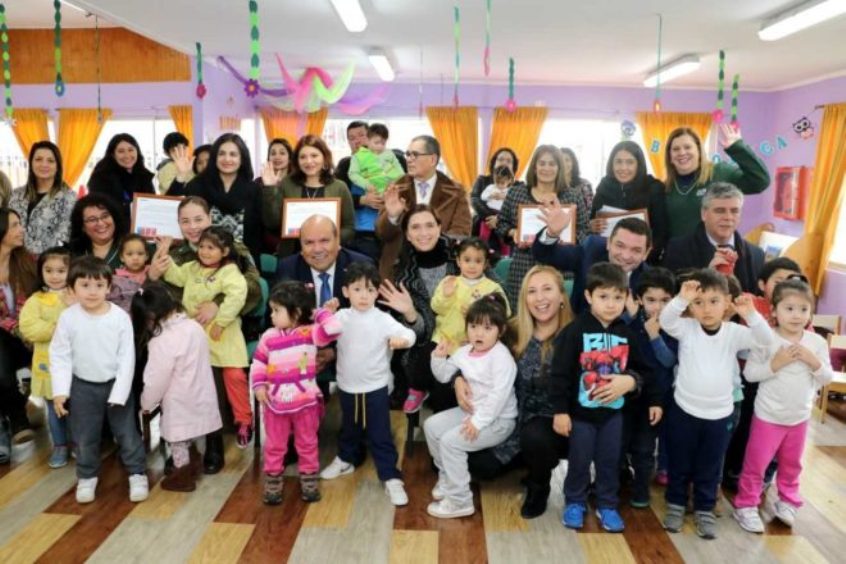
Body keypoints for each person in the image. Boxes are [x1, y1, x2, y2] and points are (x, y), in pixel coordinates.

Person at [658, 269, 773, 540]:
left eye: (714, 301)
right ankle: (675, 504)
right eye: (699, 303)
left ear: (727, 303)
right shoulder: (686, 328)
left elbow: (765, 340)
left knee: (710, 465)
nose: (706, 309)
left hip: (719, 416)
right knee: (680, 461)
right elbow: (665, 320)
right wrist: (681, 299)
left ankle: (705, 509)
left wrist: (751, 314)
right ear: (691, 308)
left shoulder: (734, 332)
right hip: (684, 410)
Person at [551, 263, 653, 533]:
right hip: (581, 415)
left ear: (627, 298)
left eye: (618, 298)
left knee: (611, 460)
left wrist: (631, 382)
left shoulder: (628, 333)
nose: (611, 304)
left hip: (614, 415)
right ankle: (574, 501)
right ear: (588, 297)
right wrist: (560, 411)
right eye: (603, 297)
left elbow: (644, 370)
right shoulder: (574, 332)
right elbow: (559, 374)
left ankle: (608, 504)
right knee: (580, 459)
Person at [732, 278, 833, 533]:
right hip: (768, 416)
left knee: (792, 464)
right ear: (774, 311)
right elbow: (751, 374)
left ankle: (788, 502)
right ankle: (746, 505)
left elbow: (827, 378)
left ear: (811, 312)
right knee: (756, 463)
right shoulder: (766, 339)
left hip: (799, 418)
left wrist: (814, 362)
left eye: (803, 309)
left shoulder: (817, 343)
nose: (796, 315)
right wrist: (775, 364)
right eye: (789, 308)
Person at [49, 256, 148, 504]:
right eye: (84, 285)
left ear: (108, 287)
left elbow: (127, 358)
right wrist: (60, 391)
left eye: (99, 285)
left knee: (126, 433)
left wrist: (119, 392)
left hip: (116, 384)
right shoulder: (68, 318)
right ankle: (86, 476)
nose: (92, 292)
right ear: (72, 289)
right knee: (84, 435)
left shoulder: (119, 318)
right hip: (82, 386)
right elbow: (60, 355)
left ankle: (137, 473)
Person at [320, 262, 415, 506]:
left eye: (371, 290)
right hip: (347, 386)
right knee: (349, 427)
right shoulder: (341, 318)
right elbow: (320, 334)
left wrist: (401, 340)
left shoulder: (382, 319)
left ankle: (391, 476)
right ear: (346, 292)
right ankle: (345, 459)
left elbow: (410, 334)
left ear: (377, 294)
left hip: (375, 387)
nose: (364, 295)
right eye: (358, 289)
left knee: (380, 433)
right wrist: (325, 314)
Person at [160, 226, 253, 448]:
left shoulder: (229, 271)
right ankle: (194, 427)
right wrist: (163, 251)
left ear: (225, 251)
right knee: (195, 378)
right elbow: (174, 275)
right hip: (195, 333)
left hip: (223, 332)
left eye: (211, 248)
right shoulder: (192, 268)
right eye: (202, 246)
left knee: (234, 376)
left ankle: (244, 420)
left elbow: (237, 296)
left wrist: (221, 322)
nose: (205, 251)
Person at [426, 293, 517, 518]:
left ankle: (460, 500)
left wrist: (477, 422)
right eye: (474, 326)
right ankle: (447, 478)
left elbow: (498, 397)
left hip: (498, 421)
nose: (479, 333)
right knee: (431, 426)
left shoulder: (502, 358)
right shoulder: (464, 352)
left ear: (500, 331)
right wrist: (437, 358)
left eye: (487, 328)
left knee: (450, 443)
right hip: (473, 411)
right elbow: (444, 375)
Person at [251, 281, 341, 504]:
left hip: (306, 403)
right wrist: (259, 386)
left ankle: (309, 479)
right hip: (275, 404)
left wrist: (318, 312)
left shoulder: (309, 334)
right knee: (275, 444)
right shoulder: (269, 337)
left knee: (307, 442)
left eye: (276, 310)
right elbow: (259, 363)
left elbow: (334, 328)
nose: (271, 315)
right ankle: (273, 480)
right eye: (271, 310)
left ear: (297, 312)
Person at [135, 282, 222, 492]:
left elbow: (157, 378)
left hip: (178, 398)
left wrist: (146, 402)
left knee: (177, 440)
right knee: (190, 433)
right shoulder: (194, 327)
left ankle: (182, 476)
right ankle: (193, 462)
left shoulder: (161, 340)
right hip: (201, 391)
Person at [377, 206, 462, 413]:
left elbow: (493, 292)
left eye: (429, 225)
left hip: (466, 341)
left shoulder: (463, 259)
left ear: (440, 227)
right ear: (407, 234)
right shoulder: (401, 274)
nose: (423, 233)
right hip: (421, 350)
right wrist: (410, 314)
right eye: (415, 227)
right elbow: (410, 337)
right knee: (434, 370)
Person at [496, 145, 589, 306]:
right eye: (542, 163)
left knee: (560, 320)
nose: (546, 168)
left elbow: (584, 230)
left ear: (559, 168)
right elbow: (501, 224)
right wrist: (513, 232)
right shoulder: (516, 193)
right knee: (522, 320)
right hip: (523, 267)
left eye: (552, 164)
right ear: (534, 167)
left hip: (559, 268)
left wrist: (565, 240)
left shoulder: (572, 196)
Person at [376, 135, 472, 279]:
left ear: (432, 159)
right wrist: (392, 216)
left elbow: (461, 234)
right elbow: (381, 234)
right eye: (407, 154)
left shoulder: (456, 191)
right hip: (399, 270)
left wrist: (427, 242)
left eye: (414, 154)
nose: (409, 159)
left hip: (442, 270)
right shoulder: (396, 188)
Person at [624, 267, 678, 501]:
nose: (658, 307)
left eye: (665, 300)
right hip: (631, 395)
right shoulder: (632, 323)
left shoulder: (674, 328)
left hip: (658, 399)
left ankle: (641, 490)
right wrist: (634, 319)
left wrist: (655, 336)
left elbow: (668, 360)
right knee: (624, 442)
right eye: (651, 300)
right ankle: (620, 478)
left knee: (646, 448)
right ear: (638, 300)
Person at [533, 208, 652, 313]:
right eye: (620, 246)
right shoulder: (590, 252)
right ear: (608, 243)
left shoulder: (650, 281)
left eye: (636, 250)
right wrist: (552, 233)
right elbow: (545, 255)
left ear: (646, 253)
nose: (626, 256)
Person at [18, 246, 74, 468]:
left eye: (61, 270)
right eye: (48, 270)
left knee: (77, 408)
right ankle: (60, 445)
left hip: (77, 363)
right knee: (54, 408)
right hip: (48, 365)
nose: (55, 275)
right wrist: (59, 327)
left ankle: (79, 442)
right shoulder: (36, 299)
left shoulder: (78, 294)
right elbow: (29, 328)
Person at [664, 124, 769, 239]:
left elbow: (760, 181)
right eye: (676, 149)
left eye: (688, 147)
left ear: (699, 151)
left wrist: (738, 148)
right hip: (676, 254)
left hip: (715, 254)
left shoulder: (720, 172)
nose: (682, 153)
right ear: (670, 156)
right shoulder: (666, 187)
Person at [169, 133, 263, 261]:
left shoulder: (254, 189)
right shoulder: (198, 185)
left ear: (242, 158)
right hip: (199, 263)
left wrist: (271, 190)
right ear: (214, 157)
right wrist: (181, 176)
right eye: (222, 154)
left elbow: (266, 227)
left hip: (243, 264)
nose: (227, 159)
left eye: (233, 154)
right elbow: (172, 210)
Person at [663, 182, 765, 294]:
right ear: (704, 214)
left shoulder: (757, 255)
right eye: (720, 211)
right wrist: (707, 276)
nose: (728, 217)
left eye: (734, 211)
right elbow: (672, 297)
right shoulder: (678, 250)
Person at [265, 135, 356, 256]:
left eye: (314, 155)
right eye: (303, 157)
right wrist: (270, 188)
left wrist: (329, 240)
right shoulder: (287, 183)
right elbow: (272, 223)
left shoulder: (339, 187)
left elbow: (349, 228)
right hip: (292, 254)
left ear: (324, 157)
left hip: (327, 256)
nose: (308, 161)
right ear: (297, 160)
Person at [590, 141, 668, 263]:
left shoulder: (653, 188)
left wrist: (643, 260)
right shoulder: (604, 186)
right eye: (618, 162)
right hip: (607, 260)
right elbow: (593, 223)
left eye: (630, 162)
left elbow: (660, 233)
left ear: (639, 164)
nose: (623, 168)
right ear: (611, 164)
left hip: (642, 261)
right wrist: (593, 226)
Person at [0, 208, 38, 447]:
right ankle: (17, 419)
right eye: (14, 225)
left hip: (32, 334)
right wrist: (17, 329)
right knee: (2, 374)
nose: (20, 229)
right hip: (7, 335)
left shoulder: (29, 261)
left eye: (20, 224)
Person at [8, 141, 77, 255]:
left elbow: (63, 236)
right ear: (31, 163)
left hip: (51, 263)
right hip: (16, 261)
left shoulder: (69, 197)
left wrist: (30, 252)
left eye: (50, 161)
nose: (44, 164)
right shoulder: (16, 194)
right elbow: (9, 228)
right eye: (38, 159)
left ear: (57, 166)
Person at [87, 133, 155, 224]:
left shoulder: (144, 175)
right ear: (113, 155)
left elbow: (153, 204)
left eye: (131, 150)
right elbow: (100, 209)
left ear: (137, 152)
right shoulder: (102, 177)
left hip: (142, 230)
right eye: (121, 151)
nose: (127, 155)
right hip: (113, 231)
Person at [68, 193, 128, 270]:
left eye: (105, 216)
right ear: (82, 226)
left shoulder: (132, 245)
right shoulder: (71, 253)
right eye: (92, 219)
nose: (100, 223)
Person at [470, 148, 520, 237]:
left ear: (513, 167)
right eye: (500, 159)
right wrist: (492, 218)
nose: (504, 163)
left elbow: (519, 208)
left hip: (507, 228)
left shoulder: (518, 186)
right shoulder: (482, 180)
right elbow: (474, 199)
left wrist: (499, 219)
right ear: (494, 163)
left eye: (509, 161)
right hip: (483, 222)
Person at [257, 138, 293, 253]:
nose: (277, 157)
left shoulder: (297, 183)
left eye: (282, 153)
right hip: (265, 241)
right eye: (273, 153)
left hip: (293, 241)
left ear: (290, 157)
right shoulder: (258, 182)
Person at [348, 123, 405, 195]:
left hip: (392, 189)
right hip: (372, 190)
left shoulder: (389, 153)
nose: (380, 146)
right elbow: (353, 174)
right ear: (368, 140)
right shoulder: (357, 156)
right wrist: (366, 185)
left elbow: (399, 169)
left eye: (383, 143)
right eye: (376, 143)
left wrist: (399, 182)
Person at [479, 166, 514, 254]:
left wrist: (504, 197)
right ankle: (482, 251)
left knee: (503, 237)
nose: (499, 185)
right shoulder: (491, 187)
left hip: (502, 215)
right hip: (488, 213)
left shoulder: (510, 191)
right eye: (497, 182)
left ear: (509, 180)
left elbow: (513, 203)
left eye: (502, 183)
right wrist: (490, 195)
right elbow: (482, 197)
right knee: (483, 235)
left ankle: (505, 255)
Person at [334, 121, 369, 190]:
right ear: (349, 143)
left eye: (361, 135)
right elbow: (339, 193)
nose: (357, 141)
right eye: (352, 138)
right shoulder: (344, 164)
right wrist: (361, 199)